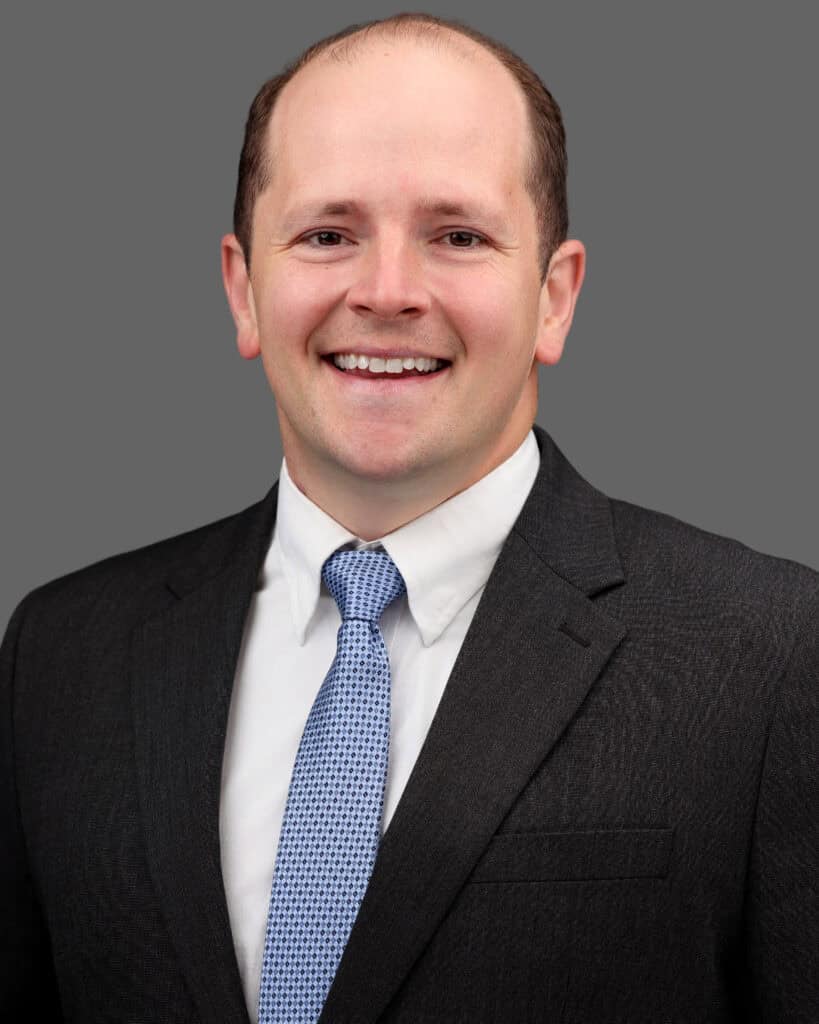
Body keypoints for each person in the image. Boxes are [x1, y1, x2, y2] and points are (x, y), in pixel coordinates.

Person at [1, 12, 816, 1023]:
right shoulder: (62, 655)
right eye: (327, 235)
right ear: (243, 288)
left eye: (458, 236)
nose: (387, 292)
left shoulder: (775, 653)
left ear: (554, 297)